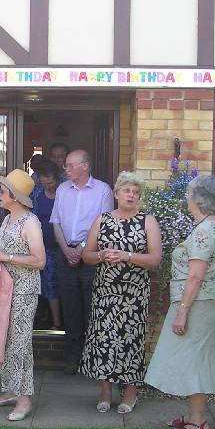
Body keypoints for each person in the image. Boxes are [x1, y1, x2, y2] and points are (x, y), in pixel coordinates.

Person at [145, 175, 215, 429]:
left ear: (199, 198)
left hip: (197, 305)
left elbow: (195, 275)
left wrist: (182, 311)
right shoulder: (212, 226)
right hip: (203, 303)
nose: (186, 197)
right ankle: (192, 415)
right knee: (193, 359)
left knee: (195, 361)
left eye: (189, 193)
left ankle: (197, 421)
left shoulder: (203, 231)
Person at [80, 171, 162, 413]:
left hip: (134, 295)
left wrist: (127, 256)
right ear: (116, 194)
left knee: (130, 341)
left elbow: (155, 258)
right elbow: (87, 255)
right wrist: (101, 255)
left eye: (136, 192)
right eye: (127, 190)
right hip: (106, 292)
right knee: (104, 339)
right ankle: (105, 392)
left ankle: (130, 394)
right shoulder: (102, 220)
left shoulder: (147, 220)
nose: (132, 195)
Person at [0, 169, 46, 421]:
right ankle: (10, 390)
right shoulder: (8, 219)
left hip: (23, 291)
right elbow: (4, 250)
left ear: (15, 197)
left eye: (2, 191)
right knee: (4, 339)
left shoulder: (30, 222)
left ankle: (24, 399)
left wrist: (6, 257)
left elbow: (39, 260)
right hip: (4, 289)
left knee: (19, 344)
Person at [50, 150, 114, 374]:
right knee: (70, 307)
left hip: (91, 256)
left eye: (70, 165)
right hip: (65, 252)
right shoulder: (62, 189)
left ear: (85, 166)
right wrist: (67, 249)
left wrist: (81, 249)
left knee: (92, 306)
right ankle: (72, 357)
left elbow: (105, 224)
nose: (65, 169)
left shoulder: (102, 190)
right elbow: (55, 222)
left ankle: (92, 359)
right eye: (65, 165)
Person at [32, 160, 62, 329]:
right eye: (44, 183)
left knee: (54, 284)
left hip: (60, 248)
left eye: (50, 182)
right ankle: (43, 317)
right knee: (41, 284)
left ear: (57, 178)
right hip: (39, 247)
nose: (48, 186)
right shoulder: (36, 193)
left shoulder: (65, 192)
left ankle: (57, 322)